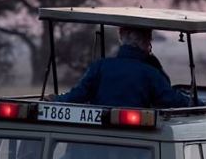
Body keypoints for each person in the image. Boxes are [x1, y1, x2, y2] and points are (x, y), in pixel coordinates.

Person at [56, 26, 195, 108]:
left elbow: (77, 95)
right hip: (139, 143)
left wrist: (56, 100)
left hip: (100, 139)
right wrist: (197, 104)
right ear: (147, 42)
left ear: (121, 37)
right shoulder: (151, 73)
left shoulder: (99, 66)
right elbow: (170, 98)